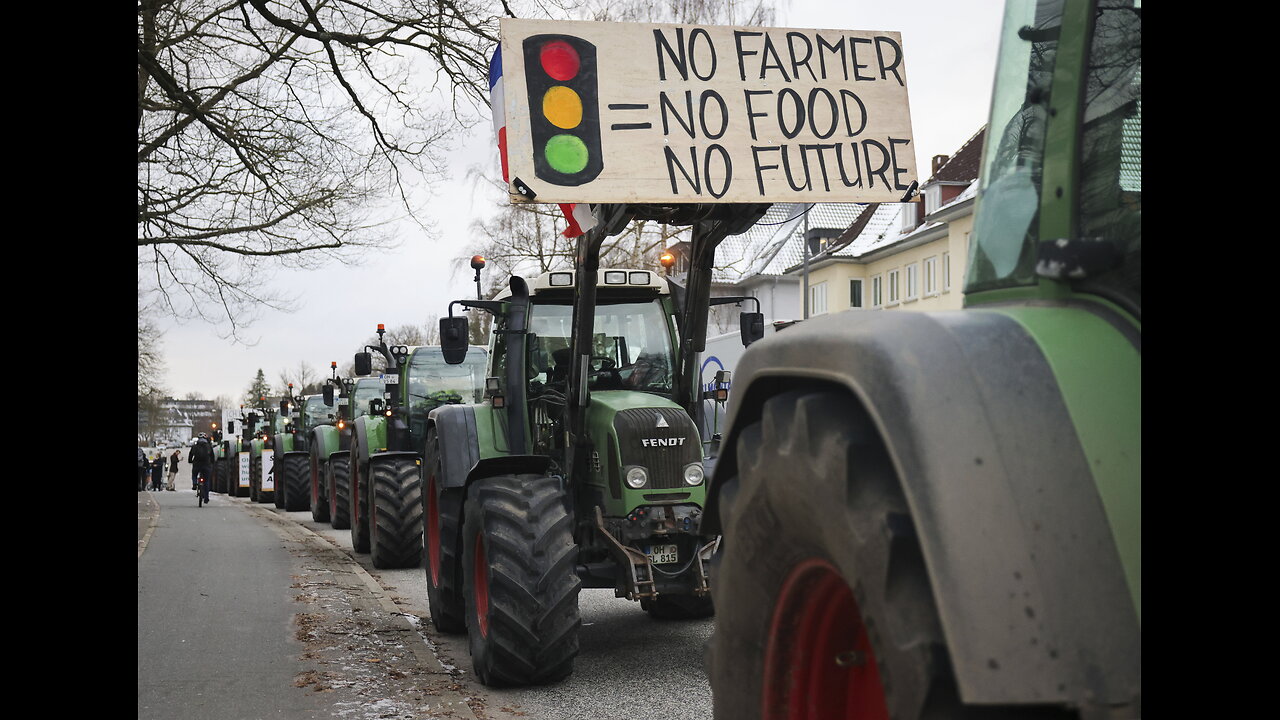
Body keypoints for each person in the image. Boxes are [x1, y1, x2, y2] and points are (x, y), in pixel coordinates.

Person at [189, 433, 214, 503]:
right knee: (206, 481)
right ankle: (206, 497)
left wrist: (190, 461)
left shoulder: (194, 446)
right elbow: (212, 456)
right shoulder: (209, 446)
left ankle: (194, 483)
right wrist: (212, 463)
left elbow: (190, 455)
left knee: (194, 474)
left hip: (197, 464)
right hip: (206, 465)